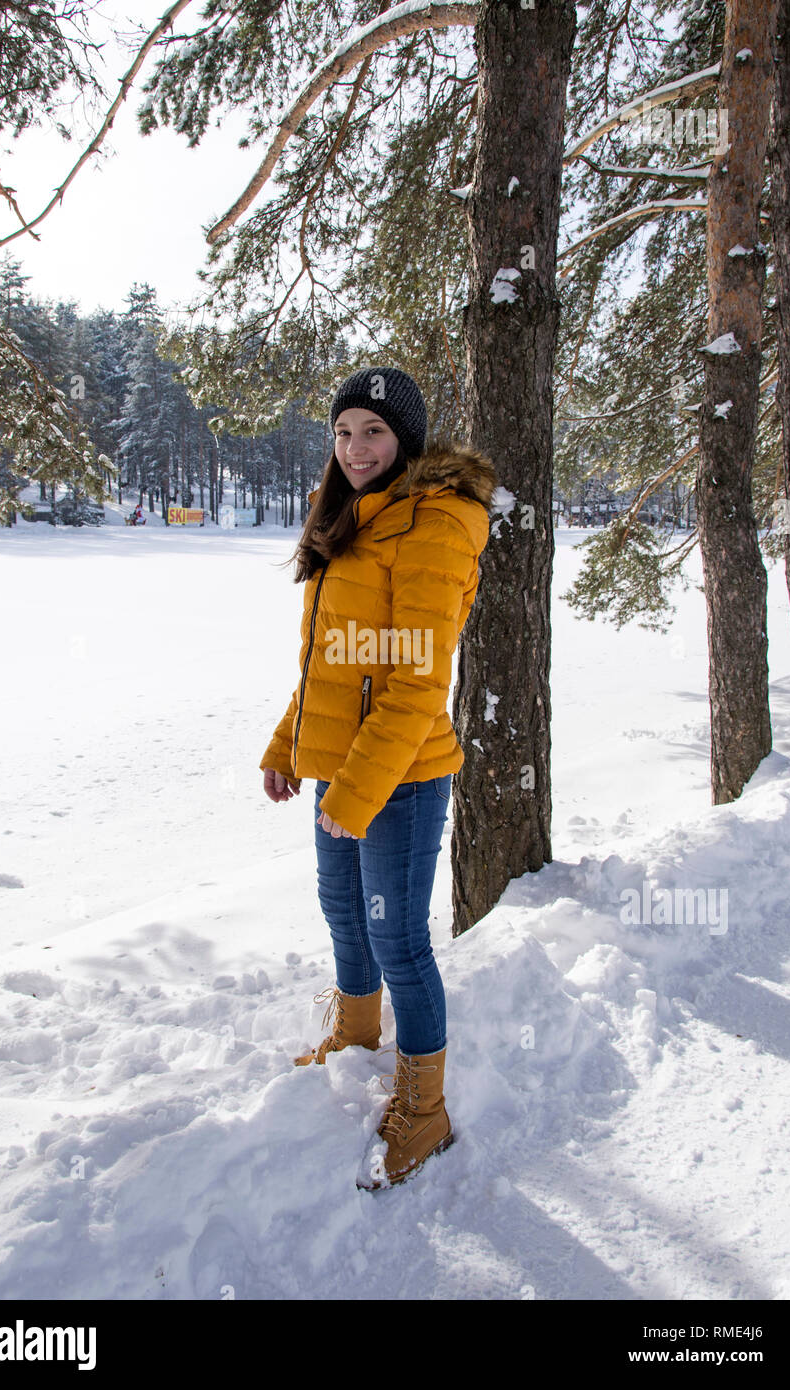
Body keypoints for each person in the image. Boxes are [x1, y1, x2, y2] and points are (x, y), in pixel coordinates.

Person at [259, 366, 496, 1191]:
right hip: (342, 769)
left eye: (374, 433)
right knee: (342, 913)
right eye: (344, 432)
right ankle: (357, 1038)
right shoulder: (353, 519)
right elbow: (328, 664)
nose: (355, 449)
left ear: (408, 442)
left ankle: (425, 1112)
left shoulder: (432, 522)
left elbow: (418, 682)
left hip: (400, 772)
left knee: (397, 937)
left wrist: (357, 795)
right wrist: (290, 744)